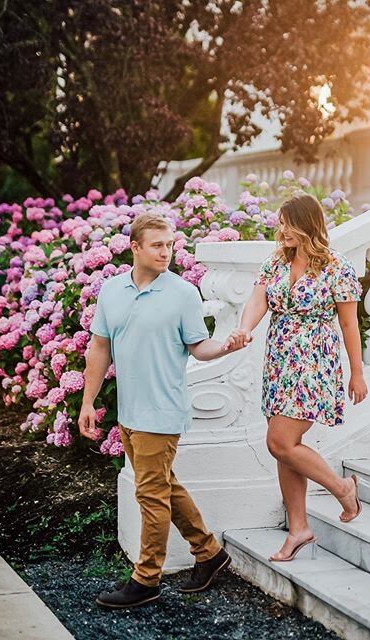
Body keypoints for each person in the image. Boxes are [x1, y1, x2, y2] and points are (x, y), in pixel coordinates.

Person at [79, 212, 246, 608]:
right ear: (134, 248)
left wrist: (226, 345)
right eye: (157, 245)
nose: (166, 252)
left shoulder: (183, 294)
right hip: (129, 410)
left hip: (162, 410)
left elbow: (198, 347)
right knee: (163, 486)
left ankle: (146, 579)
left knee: (150, 495)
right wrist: (87, 400)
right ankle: (209, 553)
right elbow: (99, 348)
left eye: (170, 244)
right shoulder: (112, 291)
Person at [237, 193, 368, 562]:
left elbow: (348, 323)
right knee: (285, 451)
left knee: (280, 442)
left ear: (306, 224)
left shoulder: (335, 267)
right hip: (278, 362)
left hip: (314, 363)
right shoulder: (276, 262)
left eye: (286, 223)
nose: (280, 230)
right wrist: (245, 329)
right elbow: (257, 301)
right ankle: (299, 528)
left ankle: (343, 488)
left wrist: (357, 372)